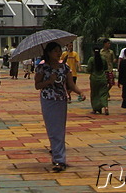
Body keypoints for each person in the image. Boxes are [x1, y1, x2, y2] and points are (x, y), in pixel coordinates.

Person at [35, 41, 84, 172]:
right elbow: (37, 85)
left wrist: (80, 92)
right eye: (55, 51)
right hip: (48, 99)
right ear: (49, 53)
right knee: (52, 129)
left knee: (60, 129)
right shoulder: (42, 67)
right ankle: (58, 158)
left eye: (59, 50)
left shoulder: (65, 67)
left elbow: (71, 85)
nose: (58, 53)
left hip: (61, 99)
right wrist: (49, 81)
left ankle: (59, 159)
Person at [86, 47, 109, 114]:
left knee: (94, 94)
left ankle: (95, 108)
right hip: (103, 78)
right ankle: (106, 107)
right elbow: (106, 68)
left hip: (94, 79)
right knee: (104, 94)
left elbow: (89, 69)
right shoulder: (103, 59)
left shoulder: (91, 59)